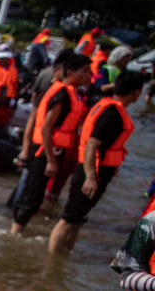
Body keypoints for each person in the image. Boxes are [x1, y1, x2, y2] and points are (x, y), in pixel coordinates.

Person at [44, 72, 144, 254]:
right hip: (90, 173)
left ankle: (62, 260)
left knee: (77, 220)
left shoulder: (107, 105)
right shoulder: (112, 113)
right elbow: (91, 145)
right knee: (68, 219)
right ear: (136, 92)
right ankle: (50, 265)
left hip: (95, 172)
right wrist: (90, 177)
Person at [11, 52, 92, 236]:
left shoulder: (70, 93)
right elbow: (46, 127)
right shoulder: (62, 94)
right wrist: (50, 160)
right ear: (70, 72)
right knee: (33, 197)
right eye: (85, 71)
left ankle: (16, 231)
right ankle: (15, 234)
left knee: (32, 195)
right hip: (43, 152)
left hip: (48, 151)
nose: (88, 76)